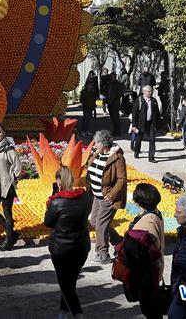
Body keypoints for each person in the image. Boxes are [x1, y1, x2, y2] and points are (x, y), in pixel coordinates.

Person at [44, 165, 92, 319]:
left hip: (61, 249)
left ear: (59, 182)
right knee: (70, 282)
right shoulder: (85, 197)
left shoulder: (56, 202)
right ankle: (63, 312)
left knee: (65, 284)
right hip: (81, 247)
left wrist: (52, 199)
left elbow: (48, 223)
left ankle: (78, 314)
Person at [86, 129, 126, 264]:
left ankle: (102, 253)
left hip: (107, 198)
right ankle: (119, 242)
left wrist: (112, 194)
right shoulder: (98, 154)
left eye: (97, 142)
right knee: (94, 222)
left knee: (101, 225)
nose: (94, 144)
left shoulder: (117, 157)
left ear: (104, 144)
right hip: (97, 196)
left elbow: (122, 179)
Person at [127, 184, 165, 319]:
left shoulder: (148, 221)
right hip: (152, 269)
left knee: (150, 308)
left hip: (148, 271)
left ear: (140, 202)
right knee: (151, 306)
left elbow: (147, 247)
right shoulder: (155, 213)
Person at [0, 123, 22, 251]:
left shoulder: (8, 149)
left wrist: (13, 178)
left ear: (4, 133)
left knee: (7, 213)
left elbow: (18, 167)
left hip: (6, 186)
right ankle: (12, 234)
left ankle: (8, 242)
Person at [131, 85, 161, 162]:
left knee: (152, 140)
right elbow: (134, 114)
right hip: (141, 123)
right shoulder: (139, 100)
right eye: (148, 91)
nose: (150, 93)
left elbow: (157, 113)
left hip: (151, 123)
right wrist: (134, 125)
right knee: (139, 138)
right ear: (144, 92)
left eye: (151, 91)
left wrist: (158, 124)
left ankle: (151, 158)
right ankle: (136, 152)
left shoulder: (154, 101)